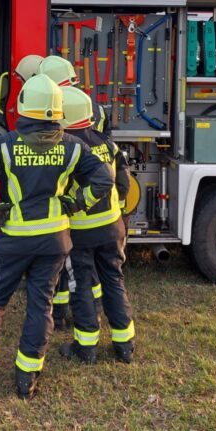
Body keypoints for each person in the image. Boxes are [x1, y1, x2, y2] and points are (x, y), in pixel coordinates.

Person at [0, 74, 114, 400]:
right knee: (41, 306)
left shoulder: (5, 144)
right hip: (55, 241)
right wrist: (76, 203)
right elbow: (104, 179)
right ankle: (27, 379)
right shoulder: (72, 146)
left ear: (24, 106)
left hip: (15, 239)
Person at [57, 88, 135, 365]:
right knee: (114, 280)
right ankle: (124, 345)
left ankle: (86, 347)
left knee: (81, 286)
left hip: (80, 231)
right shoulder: (108, 143)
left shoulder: (65, 147)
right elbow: (123, 184)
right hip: (112, 228)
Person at [39, 54, 106, 329]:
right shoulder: (89, 104)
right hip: (96, 202)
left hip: (71, 204)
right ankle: (96, 307)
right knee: (86, 267)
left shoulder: (60, 107)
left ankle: (60, 314)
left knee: (68, 266)